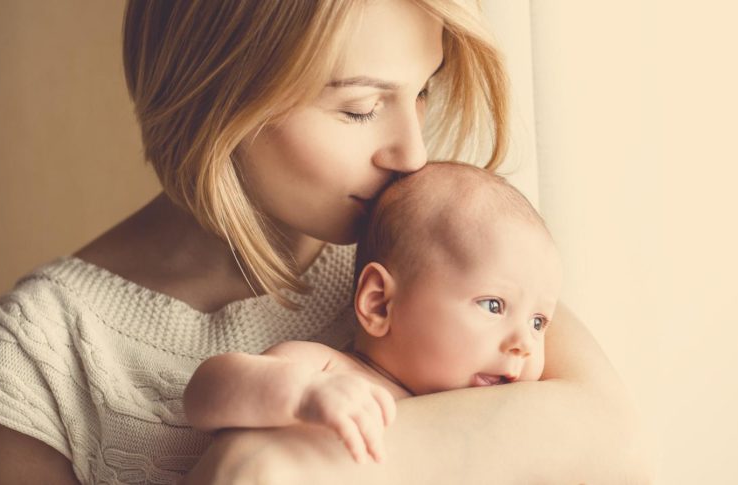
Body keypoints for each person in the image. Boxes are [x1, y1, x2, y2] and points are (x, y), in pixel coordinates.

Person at [0, 1, 648, 483]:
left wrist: (279, 463)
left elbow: (611, 437)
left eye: (421, 91)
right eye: (361, 108)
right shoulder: (42, 348)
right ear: (219, 96)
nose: (412, 150)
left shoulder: (433, 244)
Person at [183, 162, 563, 465]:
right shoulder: (330, 373)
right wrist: (303, 393)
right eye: (493, 305)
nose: (524, 344)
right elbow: (205, 393)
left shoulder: (499, 422)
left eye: (538, 322)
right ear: (380, 303)